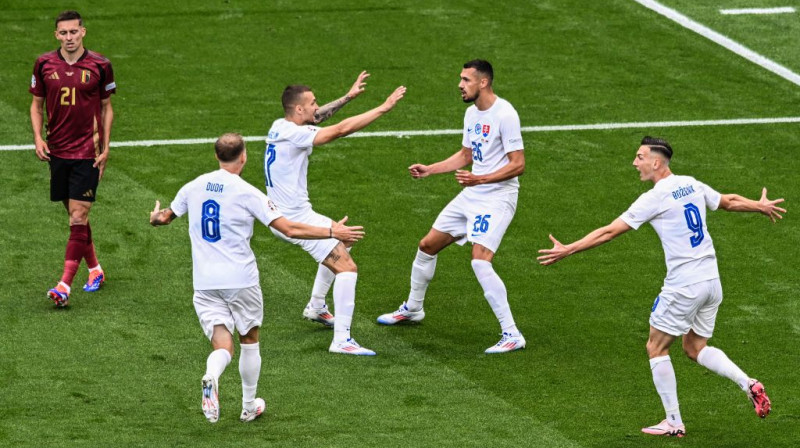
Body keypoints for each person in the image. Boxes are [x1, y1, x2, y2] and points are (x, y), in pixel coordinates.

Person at [537, 137, 784, 437]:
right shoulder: (691, 183)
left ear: (656, 162)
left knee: (656, 347)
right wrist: (758, 206)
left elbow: (609, 231)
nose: (634, 163)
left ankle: (674, 422)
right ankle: (748, 383)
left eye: (639, 157)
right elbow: (727, 201)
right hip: (711, 281)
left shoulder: (655, 197)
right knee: (694, 347)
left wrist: (568, 249)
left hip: (684, 285)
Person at [149, 133, 365, 423]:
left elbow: (163, 217)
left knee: (222, 346)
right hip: (241, 280)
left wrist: (154, 217)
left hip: (204, 283)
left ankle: (212, 375)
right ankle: (248, 405)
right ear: (244, 157)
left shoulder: (193, 186)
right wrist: (331, 232)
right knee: (249, 340)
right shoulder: (248, 193)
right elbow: (289, 228)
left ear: (216, 156)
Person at [375, 60, 527, 354]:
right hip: (474, 192)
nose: (460, 84)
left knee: (480, 259)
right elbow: (466, 154)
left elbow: (518, 164)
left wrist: (480, 178)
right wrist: (431, 169)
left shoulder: (505, 114)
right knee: (427, 245)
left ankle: (511, 333)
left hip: (497, 197)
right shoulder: (471, 113)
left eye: (466, 79)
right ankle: (413, 308)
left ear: (483, 83)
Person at [264, 73, 405, 356]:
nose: (317, 106)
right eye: (312, 102)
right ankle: (342, 340)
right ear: (299, 109)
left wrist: (349, 97)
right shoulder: (294, 132)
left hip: (291, 213)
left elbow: (317, 119)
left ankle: (316, 306)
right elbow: (338, 130)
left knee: (346, 241)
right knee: (348, 269)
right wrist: (382, 108)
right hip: (294, 221)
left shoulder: (280, 126)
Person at [30, 10, 116, 307]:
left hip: (87, 153)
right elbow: (36, 105)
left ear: (83, 32)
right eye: (63, 33)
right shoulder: (43, 64)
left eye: (74, 32)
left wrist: (106, 147)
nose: (69, 37)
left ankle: (64, 285)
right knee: (75, 219)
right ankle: (95, 269)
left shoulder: (100, 65)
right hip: (57, 152)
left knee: (79, 215)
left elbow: (106, 107)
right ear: (57, 35)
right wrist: (39, 138)